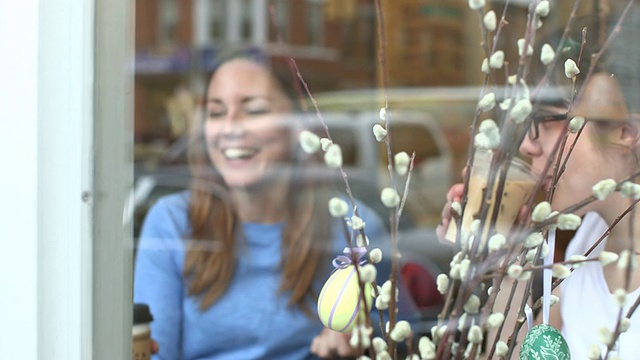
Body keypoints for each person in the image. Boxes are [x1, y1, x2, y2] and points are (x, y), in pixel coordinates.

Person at [133, 50, 418, 360]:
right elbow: (154, 353)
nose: (231, 128)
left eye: (253, 111)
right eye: (216, 113)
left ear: (297, 125)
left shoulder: (352, 225)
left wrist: (359, 343)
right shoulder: (172, 222)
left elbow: (402, 338)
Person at [437, 11, 640, 359]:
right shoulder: (587, 241)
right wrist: (509, 254)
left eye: (544, 121)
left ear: (627, 133)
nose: (527, 146)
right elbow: (511, 354)